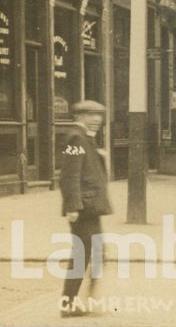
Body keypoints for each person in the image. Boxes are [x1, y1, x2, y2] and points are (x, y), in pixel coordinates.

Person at [59, 100, 112, 318]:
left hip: (91, 207)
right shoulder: (75, 137)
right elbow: (70, 174)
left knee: (97, 253)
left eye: (99, 115)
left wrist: (98, 156)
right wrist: (72, 207)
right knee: (82, 255)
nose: (96, 119)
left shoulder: (86, 138)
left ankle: (85, 299)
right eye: (91, 115)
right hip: (83, 208)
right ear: (78, 116)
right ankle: (68, 304)